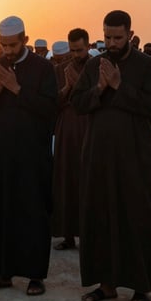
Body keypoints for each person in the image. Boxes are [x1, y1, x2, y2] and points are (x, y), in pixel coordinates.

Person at [71, 10, 151, 301]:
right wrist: (99, 88)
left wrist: (119, 86)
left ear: (130, 35)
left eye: (118, 37)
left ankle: (140, 287)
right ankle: (106, 284)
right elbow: (78, 103)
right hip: (98, 156)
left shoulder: (148, 66)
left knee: (137, 218)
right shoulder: (95, 65)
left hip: (135, 157)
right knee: (100, 216)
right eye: (107, 37)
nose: (111, 43)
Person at [0, 15, 58, 297]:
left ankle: (35, 276)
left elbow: (50, 110)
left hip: (32, 155)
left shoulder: (44, 68)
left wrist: (17, 89)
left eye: (12, 45)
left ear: (25, 39)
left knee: (32, 212)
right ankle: (1, 273)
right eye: (4, 45)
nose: (7, 50)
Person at [51, 28, 90, 251]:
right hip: (67, 128)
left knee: (88, 179)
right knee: (66, 179)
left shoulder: (96, 65)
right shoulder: (59, 70)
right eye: (72, 51)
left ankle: (90, 233)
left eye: (79, 50)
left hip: (89, 125)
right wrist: (68, 87)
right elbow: (52, 102)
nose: (76, 55)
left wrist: (81, 88)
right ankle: (67, 235)